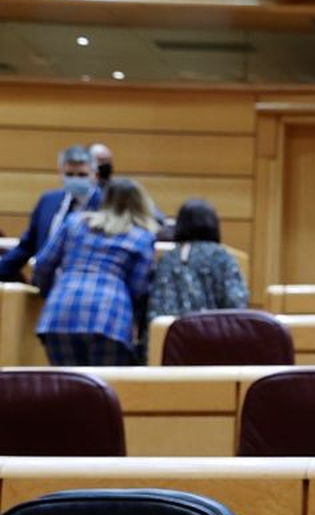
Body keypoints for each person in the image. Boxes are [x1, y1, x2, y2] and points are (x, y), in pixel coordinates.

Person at [32, 178, 159, 366]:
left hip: (60, 310)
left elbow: (43, 263)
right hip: (109, 316)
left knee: (66, 387)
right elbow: (139, 288)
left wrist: (47, 292)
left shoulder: (74, 222)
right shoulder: (141, 237)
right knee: (103, 389)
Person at [0, 146, 100, 282]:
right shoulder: (48, 201)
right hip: (47, 287)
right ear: (61, 173)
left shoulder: (106, 205)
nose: (75, 179)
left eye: (82, 175)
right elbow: (27, 246)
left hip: (86, 286)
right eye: (69, 174)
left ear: (94, 175)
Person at [148, 199, 249, 319]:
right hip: (216, 333)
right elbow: (236, 302)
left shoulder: (168, 258)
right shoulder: (222, 256)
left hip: (174, 334)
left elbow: (157, 307)